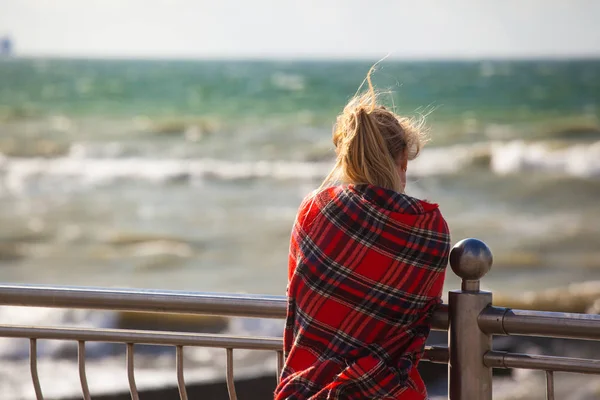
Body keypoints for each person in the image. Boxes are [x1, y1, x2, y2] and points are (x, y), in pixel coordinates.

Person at [274, 68, 451, 400]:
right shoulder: (429, 226)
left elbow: (296, 297)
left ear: (347, 160)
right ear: (403, 163)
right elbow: (419, 315)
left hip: (306, 392)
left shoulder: (314, 209)